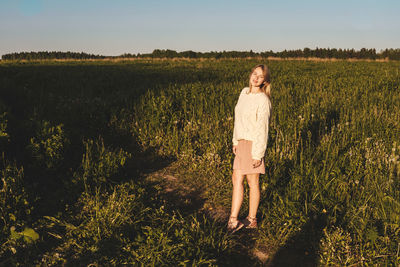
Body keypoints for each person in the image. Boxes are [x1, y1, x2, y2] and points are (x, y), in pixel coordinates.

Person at [227, 64, 272, 232]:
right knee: (236, 179)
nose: (255, 78)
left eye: (260, 76)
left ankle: (252, 219)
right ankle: (233, 220)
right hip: (241, 142)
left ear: (264, 81)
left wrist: (258, 154)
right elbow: (237, 118)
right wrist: (235, 140)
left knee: (253, 182)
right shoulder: (244, 92)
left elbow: (263, 128)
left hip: (254, 144)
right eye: (254, 73)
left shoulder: (263, 100)